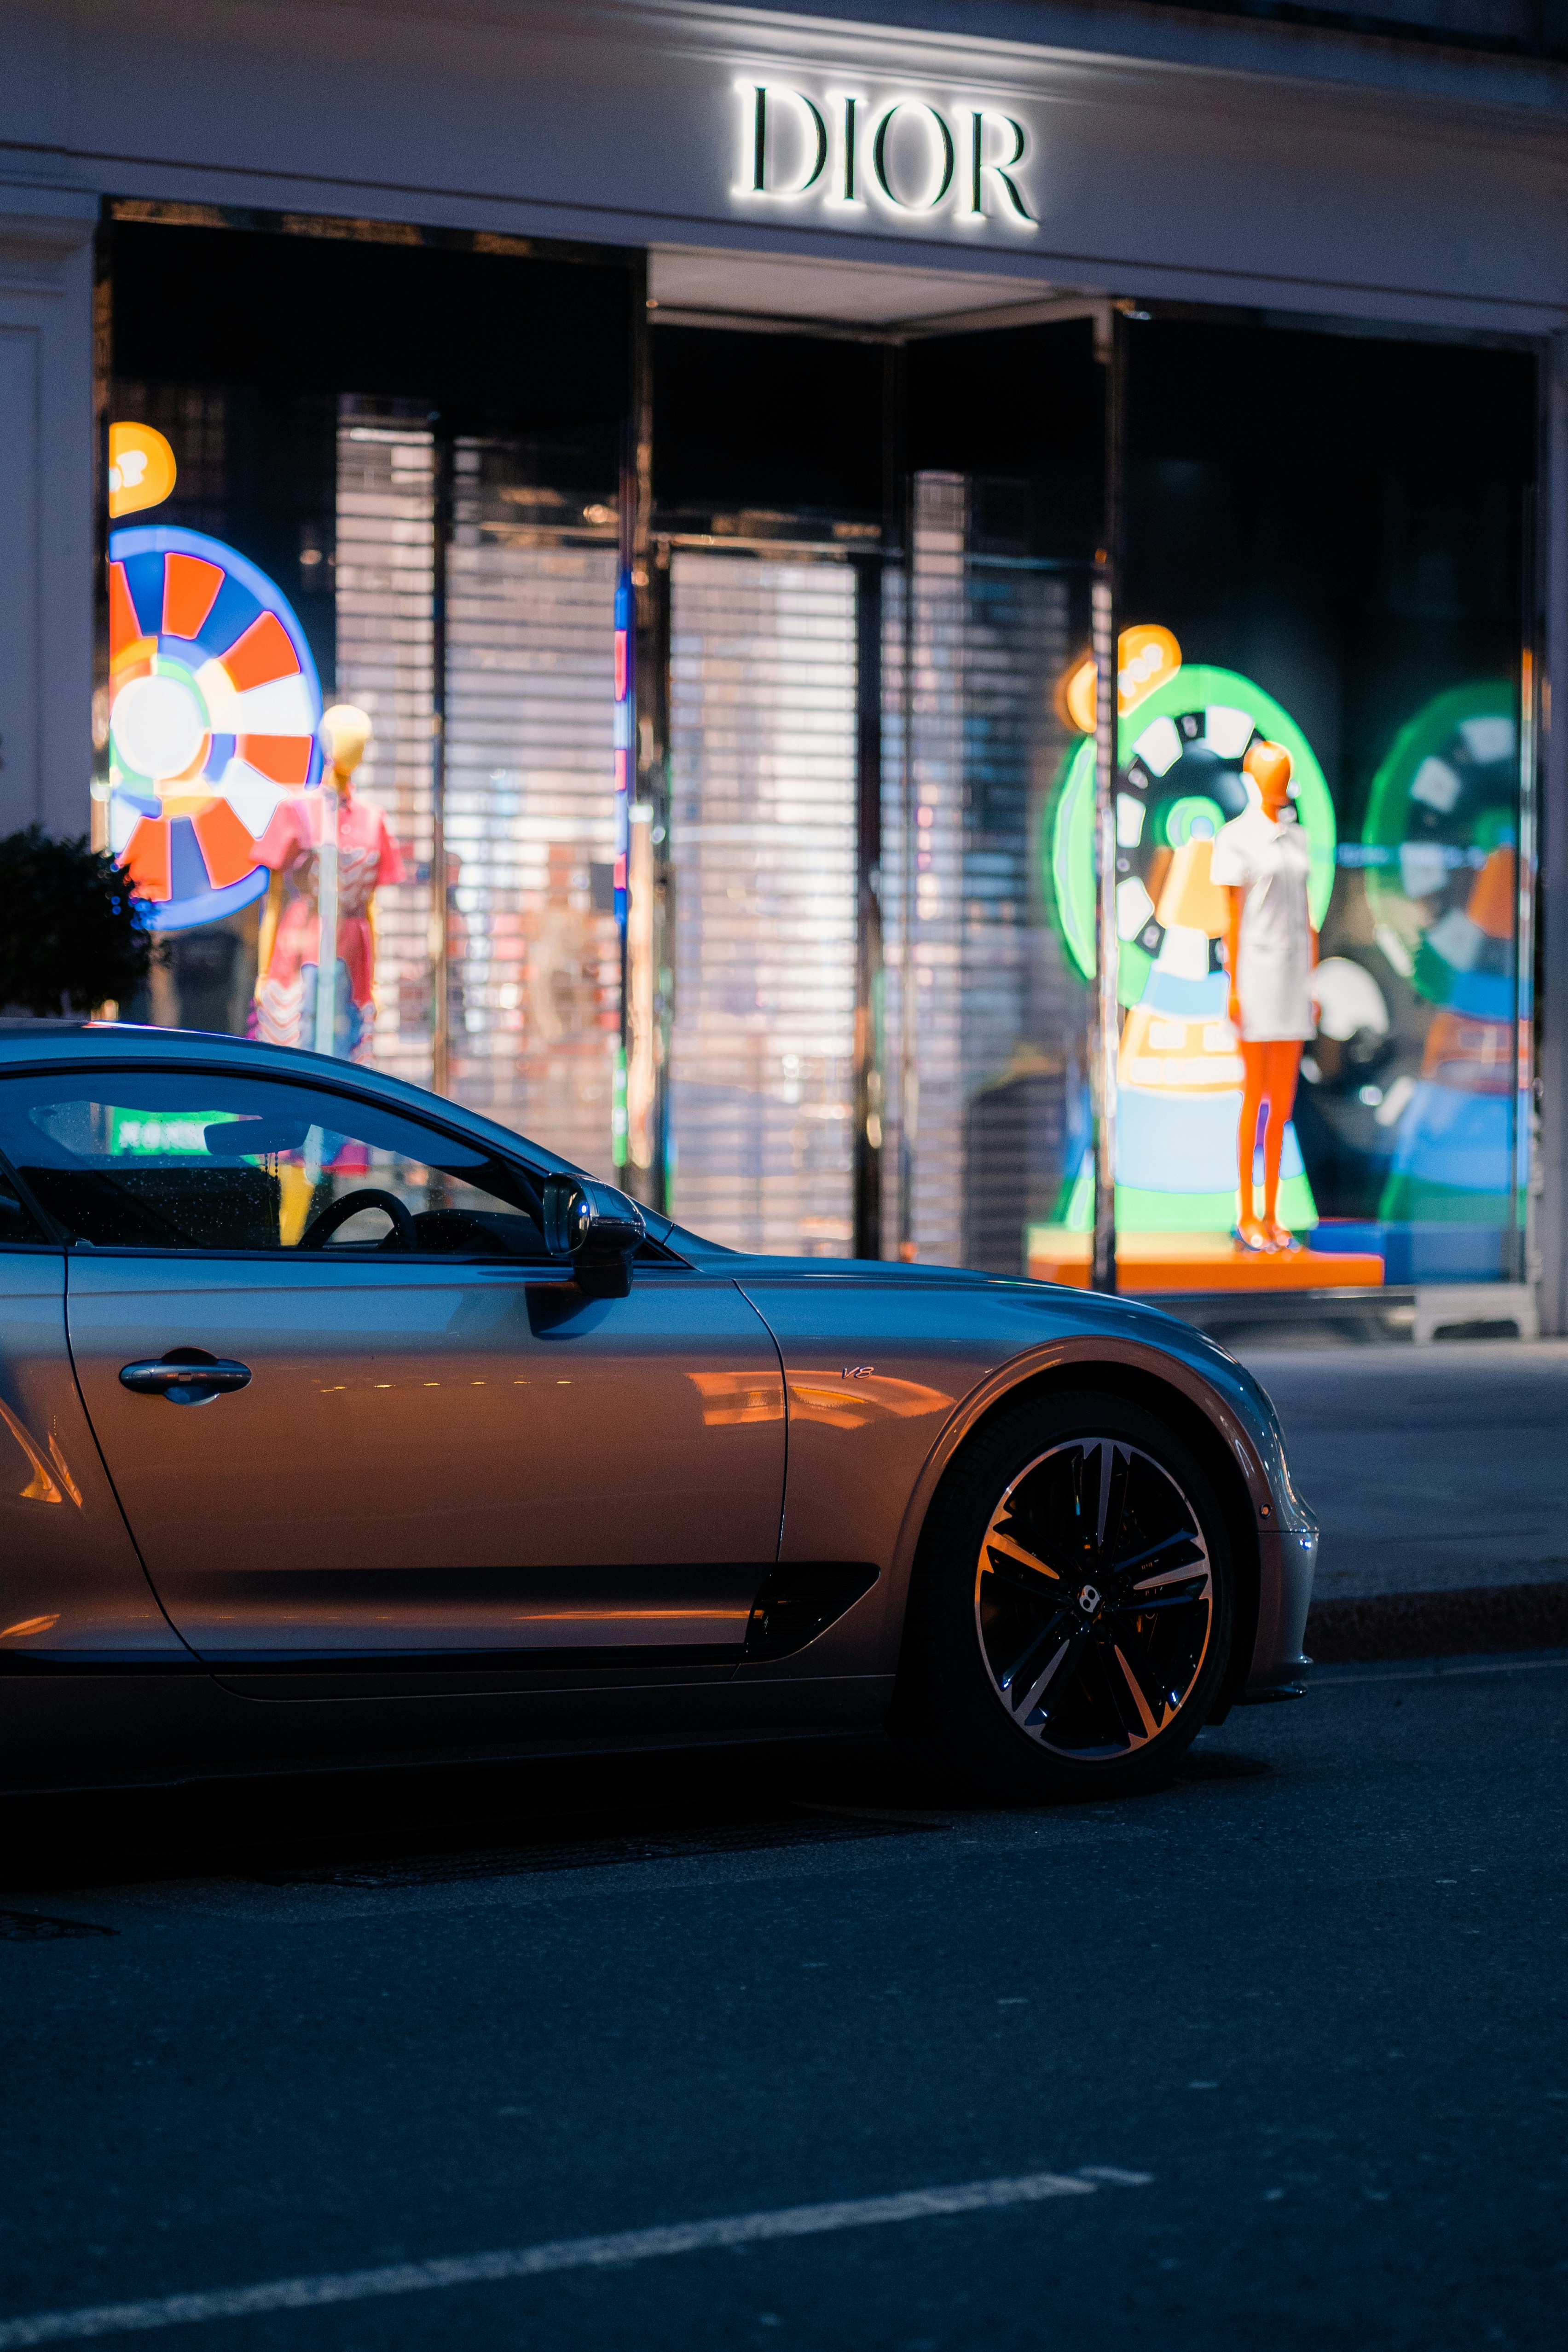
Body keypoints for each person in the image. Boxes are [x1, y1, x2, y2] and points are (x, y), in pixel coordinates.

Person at [1209, 738, 1317, 1253]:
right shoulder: (1234, 838)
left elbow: (1306, 916)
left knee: (1282, 1101)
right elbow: (1230, 918)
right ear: (1255, 777)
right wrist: (1232, 985)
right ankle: (1246, 1212)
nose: (1278, 781)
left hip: (1294, 975)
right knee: (1253, 1097)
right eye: (1271, 772)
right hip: (1255, 972)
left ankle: (1274, 1214)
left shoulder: (1297, 838)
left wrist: (1311, 980)